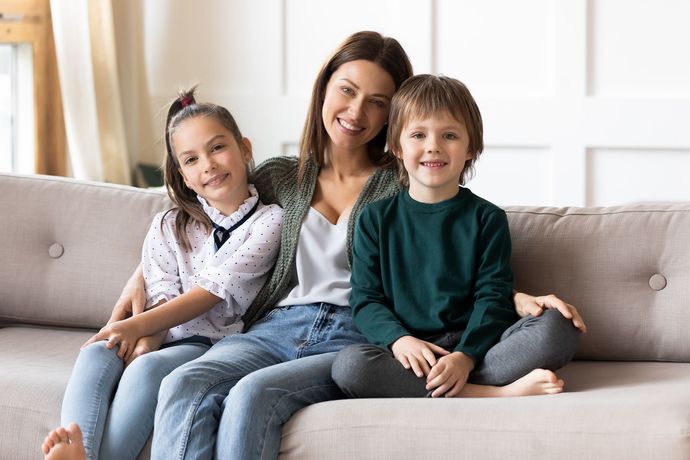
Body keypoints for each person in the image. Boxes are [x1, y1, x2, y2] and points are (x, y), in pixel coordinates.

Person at [107, 32, 585, 460]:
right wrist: (142, 277)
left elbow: (450, 250)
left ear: (396, 119)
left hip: (355, 332)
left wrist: (517, 297)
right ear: (325, 88)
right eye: (347, 90)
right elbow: (204, 209)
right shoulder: (278, 177)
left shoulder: (407, 181)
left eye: (378, 102)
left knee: (253, 396)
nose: (357, 112)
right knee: (183, 382)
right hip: (274, 327)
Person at [41, 88, 283, 460]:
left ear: (245, 148)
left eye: (217, 148)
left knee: (146, 370)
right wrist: (144, 338)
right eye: (191, 159)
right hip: (156, 333)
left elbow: (210, 293)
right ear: (183, 176)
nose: (208, 165)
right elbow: (161, 290)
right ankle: (80, 453)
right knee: (94, 355)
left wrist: (138, 333)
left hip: (207, 345)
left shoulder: (268, 222)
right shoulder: (169, 224)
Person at [331, 74, 583, 400]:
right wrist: (399, 340)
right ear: (396, 146)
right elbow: (366, 300)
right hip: (411, 355)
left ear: (470, 148)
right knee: (350, 367)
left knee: (559, 327)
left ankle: (455, 380)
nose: (433, 145)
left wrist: (465, 357)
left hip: (477, 346)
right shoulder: (374, 219)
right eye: (418, 134)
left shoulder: (487, 218)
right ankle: (493, 394)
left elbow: (492, 296)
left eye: (449, 135)